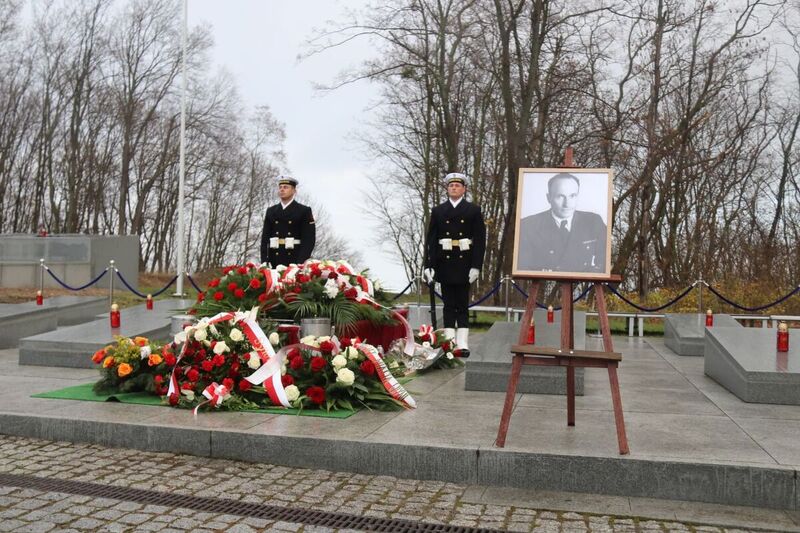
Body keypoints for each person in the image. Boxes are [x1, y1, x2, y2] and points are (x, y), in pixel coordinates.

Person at [423, 173, 486, 357]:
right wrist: (429, 265)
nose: (454, 188)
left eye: (458, 186)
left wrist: (476, 265)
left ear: (464, 189)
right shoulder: (438, 211)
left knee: (462, 303)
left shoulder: (473, 210)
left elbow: (480, 240)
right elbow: (431, 241)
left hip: (465, 262)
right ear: (447, 189)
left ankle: (463, 342)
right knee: (448, 304)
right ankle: (449, 341)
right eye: (451, 186)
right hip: (445, 262)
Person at [517, 172, 606, 273]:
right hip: (545, 286)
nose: (567, 204)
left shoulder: (594, 222)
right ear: (548, 198)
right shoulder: (528, 226)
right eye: (560, 196)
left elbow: (604, 264)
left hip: (581, 285)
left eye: (572, 196)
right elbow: (524, 267)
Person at [260, 176, 315, 268]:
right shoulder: (271, 211)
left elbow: (308, 240)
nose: (282, 190)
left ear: (294, 191)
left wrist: (300, 263)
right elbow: (265, 239)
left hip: (294, 259)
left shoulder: (304, 211)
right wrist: (264, 261)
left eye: (285, 187)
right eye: (280, 187)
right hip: (274, 259)